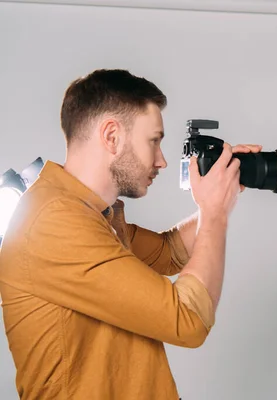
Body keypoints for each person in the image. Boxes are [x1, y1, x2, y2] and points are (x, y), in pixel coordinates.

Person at [0, 69, 261, 400]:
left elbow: (169, 252)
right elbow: (188, 319)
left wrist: (224, 188)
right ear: (111, 136)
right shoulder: (55, 220)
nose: (162, 161)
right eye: (154, 141)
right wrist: (214, 214)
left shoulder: (88, 212)